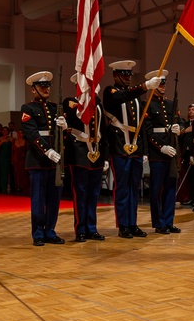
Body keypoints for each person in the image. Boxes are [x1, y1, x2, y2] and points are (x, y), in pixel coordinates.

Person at [103, 60, 161, 238]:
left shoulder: (135, 97)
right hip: (120, 146)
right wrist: (144, 86)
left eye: (129, 75)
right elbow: (121, 97)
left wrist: (143, 150)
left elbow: (141, 125)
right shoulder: (110, 92)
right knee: (122, 188)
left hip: (135, 148)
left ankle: (133, 223)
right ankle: (123, 225)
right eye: (124, 75)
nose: (127, 79)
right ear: (115, 75)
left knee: (134, 188)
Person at [21, 71, 65, 246]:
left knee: (54, 200)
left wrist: (65, 126)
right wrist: (47, 151)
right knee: (39, 200)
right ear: (33, 89)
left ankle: (50, 231)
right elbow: (31, 134)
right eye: (41, 86)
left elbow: (62, 136)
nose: (46, 89)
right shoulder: (28, 109)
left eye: (47, 86)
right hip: (38, 161)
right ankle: (38, 233)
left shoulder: (55, 108)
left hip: (55, 163)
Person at [62, 73, 107, 242]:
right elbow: (71, 116)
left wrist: (106, 157)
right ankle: (80, 229)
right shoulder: (71, 103)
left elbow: (104, 131)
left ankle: (92, 228)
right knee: (80, 192)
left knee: (94, 193)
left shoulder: (98, 106)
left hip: (97, 152)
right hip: (79, 151)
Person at [143, 71, 182, 232]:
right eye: (160, 83)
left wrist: (178, 128)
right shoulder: (148, 105)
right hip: (157, 153)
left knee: (170, 188)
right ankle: (158, 223)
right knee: (156, 189)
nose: (163, 86)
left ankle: (168, 221)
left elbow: (178, 122)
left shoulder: (171, 104)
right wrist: (161, 147)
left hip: (171, 150)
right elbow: (148, 132)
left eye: (164, 83)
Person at [178, 102, 194, 206]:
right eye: (189, 110)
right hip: (185, 153)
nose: (191, 111)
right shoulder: (185, 124)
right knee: (189, 178)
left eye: (193, 110)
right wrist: (185, 131)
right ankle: (191, 197)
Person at [0, 125, 13, 193]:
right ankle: (3, 187)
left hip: (9, 156)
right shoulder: (0, 139)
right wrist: (2, 142)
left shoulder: (11, 138)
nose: (5, 132)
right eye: (3, 130)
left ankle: (10, 185)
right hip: (2, 156)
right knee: (3, 172)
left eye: (6, 130)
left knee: (10, 172)